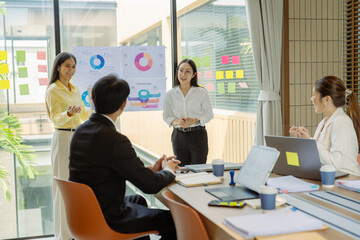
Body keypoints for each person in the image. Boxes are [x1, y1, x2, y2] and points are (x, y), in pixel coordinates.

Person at [69, 74, 179, 240]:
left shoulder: (81, 131)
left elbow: (105, 170)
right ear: (123, 104)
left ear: (93, 100)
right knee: (174, 221)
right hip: (107, 217)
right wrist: (169, 171)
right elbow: (150, 186)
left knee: (137, 201)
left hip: (84, 212)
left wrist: (150, 170)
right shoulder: (115, 140)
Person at [45, 52, 91, 240]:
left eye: (73, 66)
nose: (71, 70)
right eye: (67, 66)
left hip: (77, 140)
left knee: (76, 187)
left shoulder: (75, 89)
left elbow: (82, 116)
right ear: (58, 67)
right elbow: (55, 118)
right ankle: (63, 236)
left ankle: (76, 232)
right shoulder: (53, 90)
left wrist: (95, 111)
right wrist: (69, 114)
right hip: (63, 139)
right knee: (63, 187)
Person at [290, 76, 360, 176]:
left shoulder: (342, 122)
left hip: (346, 181)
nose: (311, 99)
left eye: (314, 95)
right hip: (331, 179)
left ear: (327, 99)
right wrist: (303, 139)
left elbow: (335, 164)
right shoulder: (324, 122)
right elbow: (318, 157)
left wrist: (310, 140)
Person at [163, 59, 214, 166]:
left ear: (194, 74)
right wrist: (176, 121)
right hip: (179, 136)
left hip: (198, 135)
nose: (183, 74)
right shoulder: (170, 94)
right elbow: (166, 116)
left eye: (187, 71)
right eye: (181, 70)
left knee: (199, 169)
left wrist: (194, 120)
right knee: (181, 169)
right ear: (177, 72)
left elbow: (209, 114)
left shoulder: (201, 92)